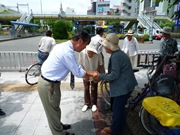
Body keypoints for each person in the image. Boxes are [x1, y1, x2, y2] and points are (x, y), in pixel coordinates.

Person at [38, 30, 95, 135]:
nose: (85, 48)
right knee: (52, 112)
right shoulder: (67, 52)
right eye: (85, 45)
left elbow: (75, 66)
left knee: (55, 108)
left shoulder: (63, 46)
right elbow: (78, 72)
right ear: (80, 41)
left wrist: (85, 71)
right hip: (48, 85)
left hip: (52, 83)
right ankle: (59, 133)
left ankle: (58, 126)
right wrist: (92, 74)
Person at [93, 33, 138, 135]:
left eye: (105, 45)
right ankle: (120, 126)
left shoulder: (116, 56)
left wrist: (100, 76)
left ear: (110, 46)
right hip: (126, 85)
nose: (104, 47)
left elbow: (114, 75)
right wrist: (104, 77)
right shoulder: (118, 54)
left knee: (117, 109)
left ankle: (115, 129)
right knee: (119, 108)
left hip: (123, 87)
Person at [79, 41, 103, 112]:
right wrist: (85, 74)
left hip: (94, 72)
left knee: (94, 88)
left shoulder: (98, 54)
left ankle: (94, 104)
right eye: (90, 52)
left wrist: (96, 73)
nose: (91, 54)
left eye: (93, 53)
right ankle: (87, 103)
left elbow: (100, 64)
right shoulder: (82, 53)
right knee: (86, 88)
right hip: (85, 72)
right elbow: (81, 65)